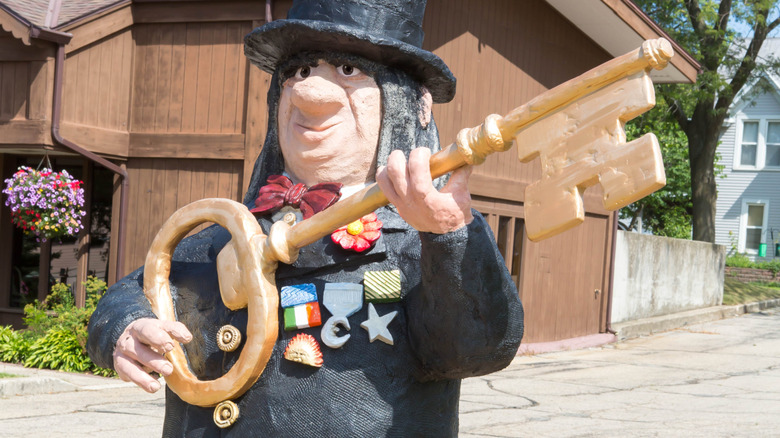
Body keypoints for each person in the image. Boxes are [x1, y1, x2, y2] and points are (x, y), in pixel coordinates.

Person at [87, 0, 524, 435]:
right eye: (298, 71)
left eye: (348, 70)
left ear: (415, 105)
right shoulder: (221, 237)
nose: (308, 91)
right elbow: (139, 289)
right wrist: (125, 330)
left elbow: (479, 349)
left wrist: (450, 236)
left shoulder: (417, 244)